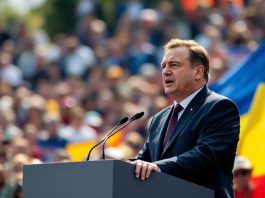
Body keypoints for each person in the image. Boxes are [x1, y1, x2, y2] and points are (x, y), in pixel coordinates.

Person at [130, 38, 240, 198]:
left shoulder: (219, 107)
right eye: (163, 66)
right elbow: (143, 160)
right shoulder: (158, 119)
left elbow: (204, 155)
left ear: (198, 72)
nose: (166, 71)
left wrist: (158, 167)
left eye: (174, 65)